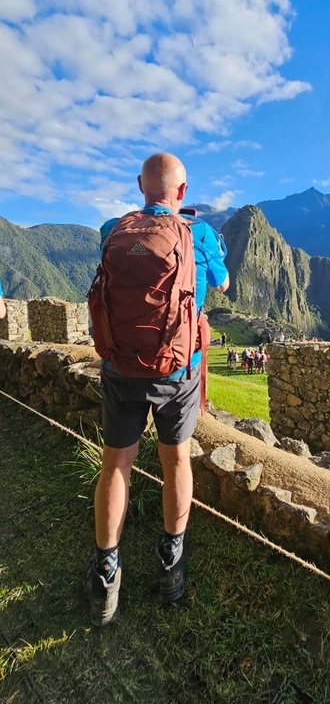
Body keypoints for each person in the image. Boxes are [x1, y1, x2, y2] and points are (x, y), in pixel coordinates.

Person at [85, 152, 229, 626]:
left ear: (140, 186)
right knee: (176, 461)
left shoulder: (112, 229)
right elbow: (222, 285)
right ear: (183, 193)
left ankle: (107, 569)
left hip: (121, 366)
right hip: (176, 372)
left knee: (116, 465)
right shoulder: (199, 235)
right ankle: (171, 561)